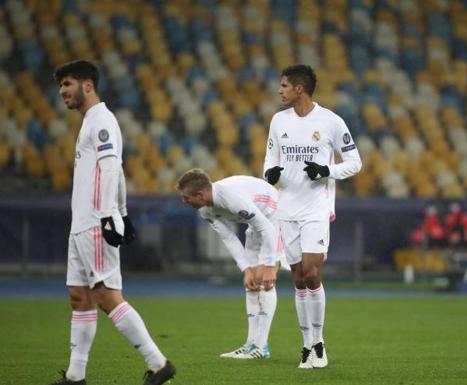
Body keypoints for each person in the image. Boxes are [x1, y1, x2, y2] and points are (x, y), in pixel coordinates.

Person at [48, 60, 175, 385]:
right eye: (61, 85)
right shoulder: (90, 121)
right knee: (79, 296)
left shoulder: (102, 120)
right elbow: (115, 171)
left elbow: (109, 170)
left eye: (67, 84)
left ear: (87, 85)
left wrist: (110, 215)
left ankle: (158, 363)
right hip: (83, 224)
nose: (63, 91)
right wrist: (123, 211)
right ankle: (75, 377)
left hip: (94, 223)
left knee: (105, 295)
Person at [263, 64, 362, 369]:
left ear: (299, 89)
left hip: (316, 209)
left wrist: (326, 171)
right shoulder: (278, 122)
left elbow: (355, 162)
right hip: (286, 209)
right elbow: (269, 159)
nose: (279, 91)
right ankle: (306, 346)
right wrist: (270, 173)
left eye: (283, 86)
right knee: (296, 279)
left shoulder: (331, 122)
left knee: (311, 274)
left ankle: (319, 344)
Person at [176, 169, 282, 360]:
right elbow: (229, 237)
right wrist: (246, 269)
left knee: (265, 281)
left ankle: (261, 346)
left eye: (186, 197)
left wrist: (268, 265)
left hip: (276, 216)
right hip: (257, 226)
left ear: (200, 195)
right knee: (251, 283)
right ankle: (251, 344)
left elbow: (266, 227)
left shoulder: (231, 198)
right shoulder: (204, 209)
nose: (184, 201)